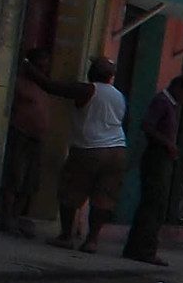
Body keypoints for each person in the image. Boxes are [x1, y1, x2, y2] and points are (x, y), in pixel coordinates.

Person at [44, 58, 127, 253]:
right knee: (103, 197)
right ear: (110, 76)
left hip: (89, 148)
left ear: (92, 72)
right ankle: (92, 240)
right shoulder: (118, 95)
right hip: (117, 149)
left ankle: (66, 235)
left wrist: (27, 66)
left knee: (70, 191)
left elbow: (51, 87)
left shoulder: (88, 90)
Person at [122, 72, 183, 266]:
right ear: (179, 88)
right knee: (154, 204)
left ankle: (137, 247)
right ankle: (144, 249)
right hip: (156, 157)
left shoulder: (170, 105)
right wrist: (168, 144)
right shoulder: (162, 102)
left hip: (163, 158)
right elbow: (147, 125)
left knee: (154, 204)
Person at [0, 48, 51, 237]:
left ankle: (16, 216)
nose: (42, 70)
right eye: (39, 66)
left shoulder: (43, 87)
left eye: (45, 66)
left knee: (30, 181)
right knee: (14, 177)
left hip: (36, 138)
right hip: (20, 134)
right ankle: (7, 218)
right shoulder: (19, 84)